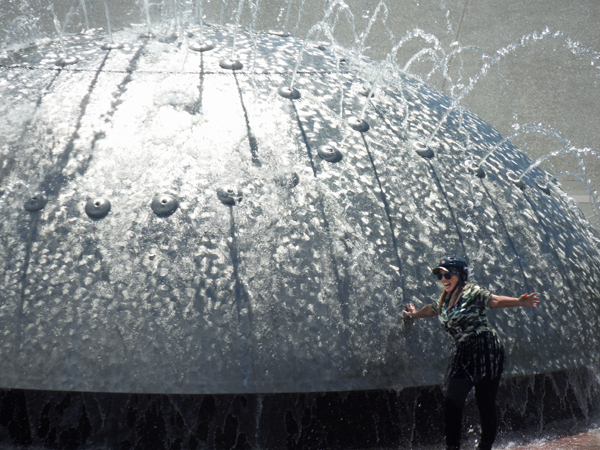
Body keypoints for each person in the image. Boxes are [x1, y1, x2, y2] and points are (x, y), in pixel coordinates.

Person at [403, 256, 540, 450]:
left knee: (485, 402)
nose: (443, 279)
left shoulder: (472, 291)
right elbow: (431, 310)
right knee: (452, 400)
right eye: (440, 276)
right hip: (462, 352)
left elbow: (493, 300)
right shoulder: (445, 300)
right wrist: (413, 315)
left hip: (485, 350)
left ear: (460, 275)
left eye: (448, 275)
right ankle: (453, 447)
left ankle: (484, 446)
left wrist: (518, 301)